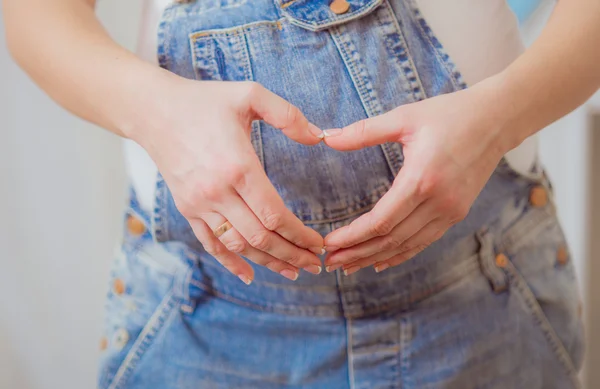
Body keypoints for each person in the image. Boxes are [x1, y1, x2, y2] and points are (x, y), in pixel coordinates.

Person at [4, 0, 599, 387]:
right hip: (205, 313)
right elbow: (36, 17)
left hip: (478, 299)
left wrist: (498, 118)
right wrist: (160, 115)